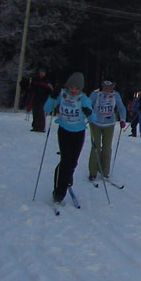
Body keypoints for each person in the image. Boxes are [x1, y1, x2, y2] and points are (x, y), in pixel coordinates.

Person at [43, 72, 93, 203]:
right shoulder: (62, 95)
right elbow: (47, 108)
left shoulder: (83, 99)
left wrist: (89, 112)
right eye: (71, 88)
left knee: (73, 162)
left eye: (76, 89)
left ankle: (67, 178)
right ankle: (59, 192)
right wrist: (52, 97)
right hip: (64, 130)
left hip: (78, 132)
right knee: (65, 161)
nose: (73, 91)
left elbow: (94, 118)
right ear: (68, 86)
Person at [87, 78, 127, 180]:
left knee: (106, 147)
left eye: (109, 88)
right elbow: (87, 104)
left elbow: (121, 107)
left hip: (109, 124)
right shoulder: (95, 94)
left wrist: (122, 119)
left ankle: (105, 171)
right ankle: (93, 171)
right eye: (105, 87)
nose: (107, 90)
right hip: (95, 123)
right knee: (96, 147)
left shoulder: (115, 95)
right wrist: (88, 114)